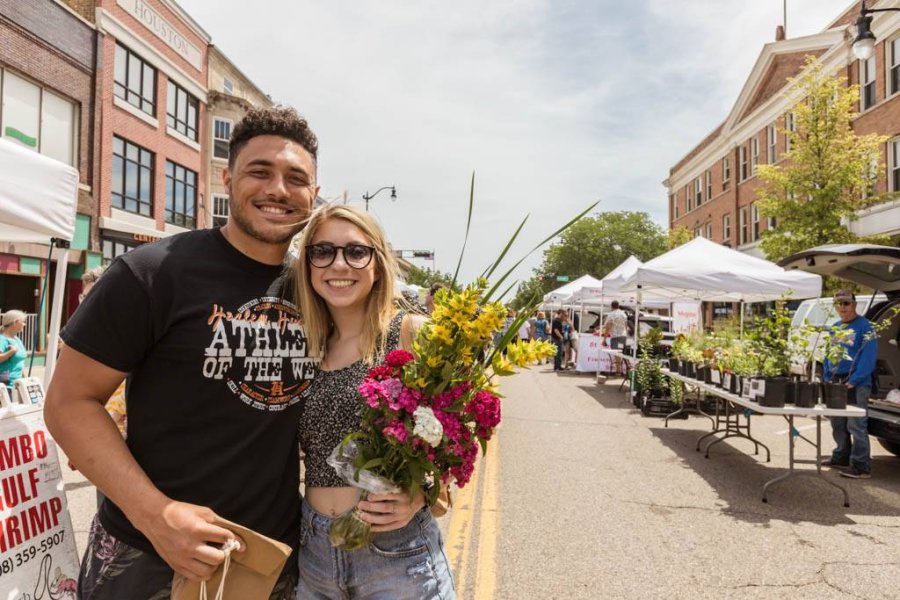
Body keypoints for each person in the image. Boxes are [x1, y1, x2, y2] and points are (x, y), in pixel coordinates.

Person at [44, 106, 320, 599]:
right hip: (146, 553)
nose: (278, 189)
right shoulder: (151, 272)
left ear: (313, 195)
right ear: (227, 177)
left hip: (268, 564)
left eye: (295, 178)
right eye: (260, 171)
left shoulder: (319, 290)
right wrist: (156, 516)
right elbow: (68, 403)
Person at [293, 205, 455, 598]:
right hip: (315, 552)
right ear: (309, 264)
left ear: (378, 262)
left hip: (396, 554)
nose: (339, 264)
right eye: (323, 251)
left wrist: (423, 494)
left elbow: (459, 435)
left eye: (355, 251)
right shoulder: (304, 344)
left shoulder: (410, 333)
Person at [823, 289, 878, 479]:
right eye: (838, 304)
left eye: (846, 303)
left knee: (856, 424)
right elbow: (829, 354)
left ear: (854, 305)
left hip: (857, 383)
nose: (842, 307)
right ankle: (841, 456)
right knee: (837, 421)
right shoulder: (835, 327)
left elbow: (868, 358)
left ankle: (861, 466)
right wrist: (827, 376)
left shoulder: (866, 327)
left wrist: (854, 381)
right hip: (836, 381)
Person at [0, 310, 28, 392]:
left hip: (18, 384)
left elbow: (20, 362)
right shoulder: (2, 339)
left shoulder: (17, 339)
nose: (24, 324)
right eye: (23, 322)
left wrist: (25, 378)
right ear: (15, 322)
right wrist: (11, 352)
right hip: (6, 385)